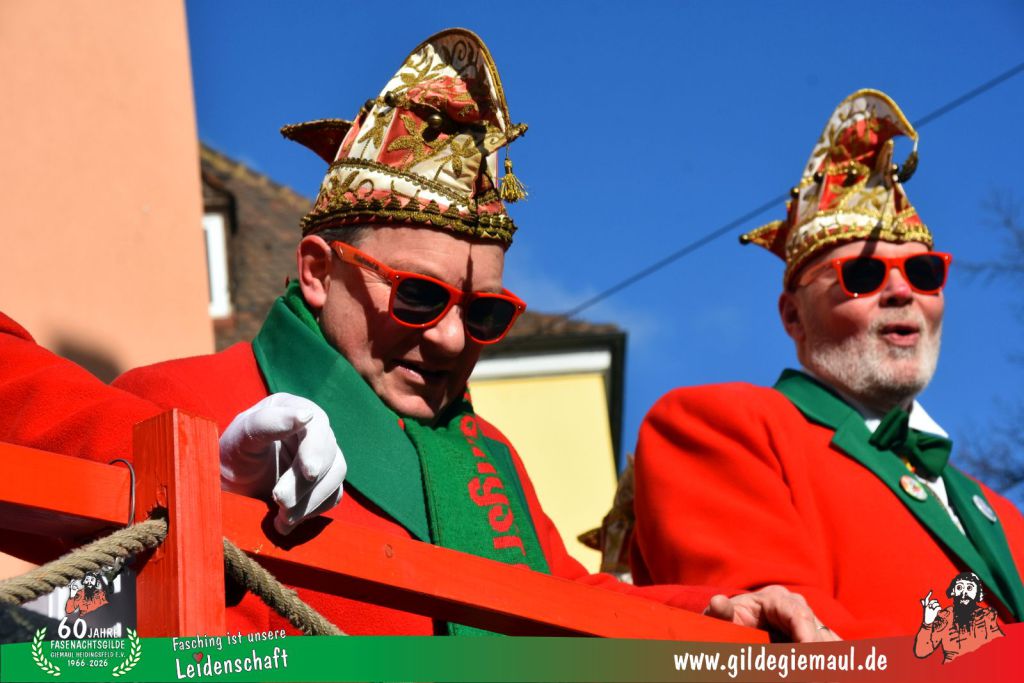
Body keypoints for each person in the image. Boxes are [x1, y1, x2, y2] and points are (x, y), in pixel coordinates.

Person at [0, 29, 832, 641]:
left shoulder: (491, 456)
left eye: (485, 313)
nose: (450, 340)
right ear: (318, 271)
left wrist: (714, 611)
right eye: (418, 296)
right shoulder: (179, 404)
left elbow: (568, 605)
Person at [629, 89, 1024, 639]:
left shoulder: (1002, 513)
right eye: (861, 276)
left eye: (924, 273)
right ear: (793, 316)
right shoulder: (719, 425)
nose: (901, 292)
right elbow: (784, 636)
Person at [915, 571, 1003, 663]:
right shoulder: (946, 617)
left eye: (969, 588)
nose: (964, 593)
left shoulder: (986, 616)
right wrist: (928, 622)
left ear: (978, 594)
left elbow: (1001, 648)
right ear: (953, 591)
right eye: (959, 587)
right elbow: (921, 652)